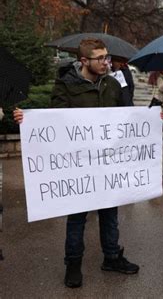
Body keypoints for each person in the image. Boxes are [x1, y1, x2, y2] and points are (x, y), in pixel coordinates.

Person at [13, 38, 139, 288]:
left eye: (107, 58)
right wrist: (25, 119)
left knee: (110, 214)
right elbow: (53, 120)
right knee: (77, 217)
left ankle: (112, 257)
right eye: (100, 59)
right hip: (78, 166)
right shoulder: (66, 85)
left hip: (107, 163)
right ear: (84, 61)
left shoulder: (113, 84)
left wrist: (153, 117)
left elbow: (127, 115)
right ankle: (73, 263)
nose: (106, 62)